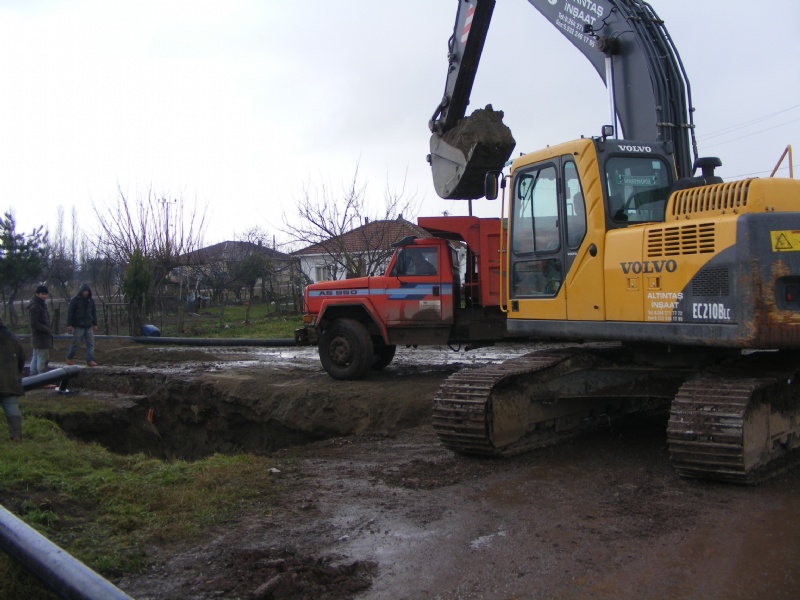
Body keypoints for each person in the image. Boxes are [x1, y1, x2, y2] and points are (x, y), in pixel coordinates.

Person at [0, 316, 25, 442]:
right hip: (9, 381)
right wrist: (17, 374)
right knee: (12, 408)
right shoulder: (12, 338)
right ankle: (16, 436)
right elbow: (21, 359)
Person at [66, 283, 98, 366]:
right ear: (81, 291)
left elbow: (94, 313)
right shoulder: (75, 300)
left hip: (88, 326)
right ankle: (69, 357)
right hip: (78, 326)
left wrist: (95, 323)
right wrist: (69, 324)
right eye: (84, 291)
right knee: (76, 343)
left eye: (87, 291)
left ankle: (90, 360)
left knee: (91, 344)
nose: (86, 293)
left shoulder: (91, 301)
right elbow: (70, 313)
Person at [27, 285, 52, 375]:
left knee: (36, 357)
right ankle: (42, 378)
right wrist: (47, 330)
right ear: (37, 294)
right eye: (42, 294)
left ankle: (33, 377)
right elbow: (34, 323)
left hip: (37, 337)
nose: (44, 296)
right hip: (41, 337)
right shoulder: (36, 306)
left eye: (45, 294)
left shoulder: (37, 304)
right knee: (42, 358)